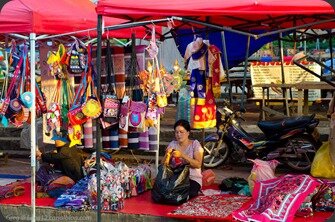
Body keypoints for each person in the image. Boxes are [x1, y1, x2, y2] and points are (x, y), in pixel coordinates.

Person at [162, 119, 204, 199]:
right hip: (175, 177)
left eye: (181, 132)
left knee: (188, 194)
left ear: (188, 133)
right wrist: (167, 155)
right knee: (164, 192)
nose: (178, 135)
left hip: (192, 178)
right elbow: (163, 165)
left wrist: (182, 155)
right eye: (176, 132)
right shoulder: (173, 144)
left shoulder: (195, 144)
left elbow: (198, 164)